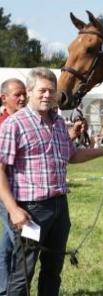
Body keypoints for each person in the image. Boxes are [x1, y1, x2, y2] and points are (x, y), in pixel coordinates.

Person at [0, 67, 103, 296]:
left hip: (59, 207)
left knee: (53, 271)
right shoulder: (13, 125)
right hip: (30, 210)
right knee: (22, 275)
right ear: (29, 91)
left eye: (51, 91)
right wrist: (13, 209)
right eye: (42, 90)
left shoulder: (57, 124)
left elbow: (72, 155)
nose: (47, 95)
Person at [0, 78, 27, 296]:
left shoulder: (23, 121)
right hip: (4, 191)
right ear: (4, 98)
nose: (23, 98)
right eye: (17, 94)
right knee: (17, 241)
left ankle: (3, 287)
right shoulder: (4, 124)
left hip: (18, 190)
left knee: (9, 243)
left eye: (24, 93)